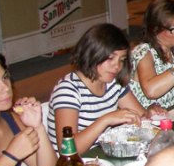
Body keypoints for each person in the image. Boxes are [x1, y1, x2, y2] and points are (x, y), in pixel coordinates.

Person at [47, 24, 151, 154]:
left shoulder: (113, 83)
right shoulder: (68, 90)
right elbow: (68, 150)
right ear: (92, 53)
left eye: (122, 60)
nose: (117, 66)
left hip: (102, 156)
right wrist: (105, 120)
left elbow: (142, 117)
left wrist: (151, 113)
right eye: (110, 58)